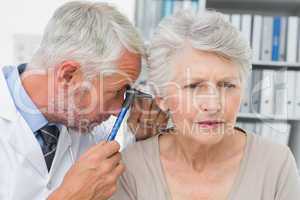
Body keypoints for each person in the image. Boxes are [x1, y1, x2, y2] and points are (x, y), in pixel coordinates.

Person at [111, 10, 300, 200]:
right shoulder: (130, 168)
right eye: (193, 86)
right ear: (161, 97)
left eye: (227, 85)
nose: (213, 105)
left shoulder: (276, 165)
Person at [0, 1, 149, 199]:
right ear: (68, 75)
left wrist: (142, 140)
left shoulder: (89, 128)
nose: (117, 110)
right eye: (115, 92)